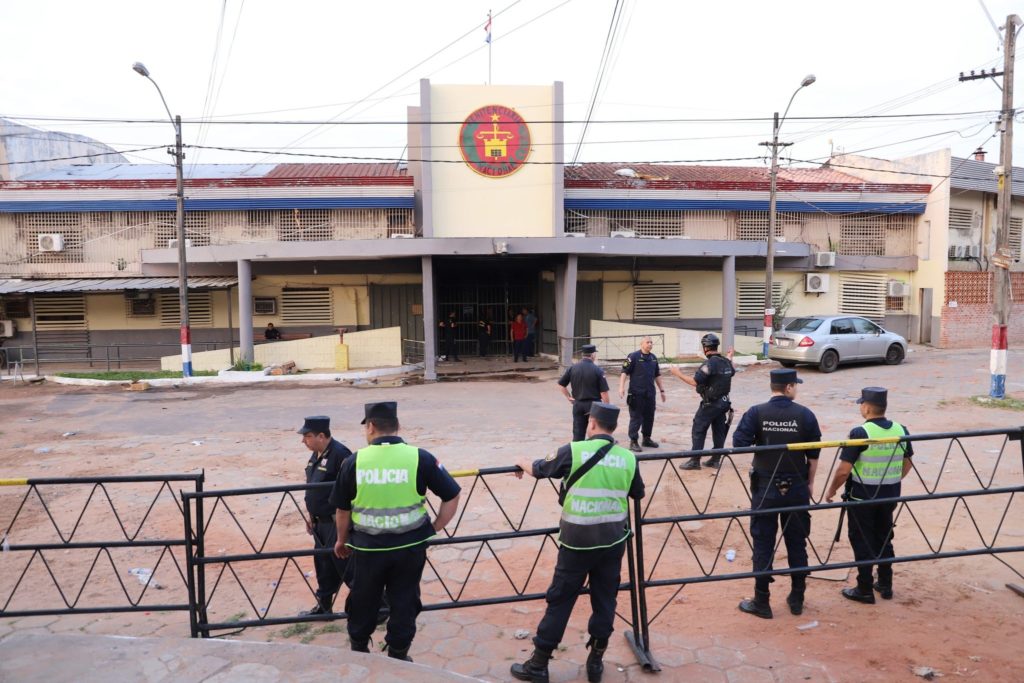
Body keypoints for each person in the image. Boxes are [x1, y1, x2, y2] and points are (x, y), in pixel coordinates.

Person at [511, 402, 644, 683]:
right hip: (612, 541)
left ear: (592, 423)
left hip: (577, 543)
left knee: (560, 599)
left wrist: (522, 461)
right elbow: (637, 493)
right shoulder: (628, 458)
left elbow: (539, 469)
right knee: (605, 600)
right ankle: (596, 662)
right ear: (614, 428)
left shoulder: (574, 451)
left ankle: (539, 664)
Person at [331, 402, 461, 661]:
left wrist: (341, 541)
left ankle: (359, 649)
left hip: (368, 549)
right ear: (398, 426)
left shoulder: (354, 461)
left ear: (370, 426)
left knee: (363, 599)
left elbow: (342, 510)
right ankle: (398, 655)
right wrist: (434, 527)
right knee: (404, 601)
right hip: (409, 548)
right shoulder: (420, 457)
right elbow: (452, 494)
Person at [732, 368, 822, 619]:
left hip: (765, 486)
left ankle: (762, 601)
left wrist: (764, 442)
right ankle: (797, 598)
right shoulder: (805, 414)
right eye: (796, 385)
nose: (797, 389)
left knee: (763, 542)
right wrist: (810, 483)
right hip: (797, 486)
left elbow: (739, 444)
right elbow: (814, 455)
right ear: (789, 387)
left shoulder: (756, 412)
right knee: (797, 541)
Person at [825, 387, 914, 604]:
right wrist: (890, 481)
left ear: (866, 408)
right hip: (889, 495)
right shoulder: (901, 429)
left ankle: (864, 588)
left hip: (861, 498)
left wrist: (832, 490)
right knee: (884, 537)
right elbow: (908, 463)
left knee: (862, 540)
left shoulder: (860, 433)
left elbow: (844, 470)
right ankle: (885, 584)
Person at [297, 416, 353, 616]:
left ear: (321, 436)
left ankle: (379, 605)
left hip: (336, 522)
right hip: (320, 523)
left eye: (307, 436)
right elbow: (314, 489)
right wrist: (311, 516)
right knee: (323, 566)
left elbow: (350, 491)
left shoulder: (341, 455)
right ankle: (324, 607)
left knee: (347, 567)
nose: (303, 441)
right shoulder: (315, 455)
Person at [670, 333, 735, 470]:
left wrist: (677, 373)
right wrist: (730, 356)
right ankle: (715, 460)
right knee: (719, 430)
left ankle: (695, 460)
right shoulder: (726, 362)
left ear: (705, 348)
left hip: (711, 404)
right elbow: (731, 371)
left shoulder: (709, 364)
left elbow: (695, 382)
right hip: (724, 403)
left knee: (698, 428)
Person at [618, 337, 666, 453]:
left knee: (649, 416)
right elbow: (624, 372)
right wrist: (621, 387)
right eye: (647, 342)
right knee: (636, 417)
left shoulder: (653, 358)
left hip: (650, 393)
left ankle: (646, 438)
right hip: (636, 393)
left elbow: (657, 375)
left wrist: (662, 390)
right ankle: (633, 441)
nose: (650, 344)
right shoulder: (633, 356)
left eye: (651, 342)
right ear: (641, 344)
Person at [558, 344, 611, 441]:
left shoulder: (572, 368)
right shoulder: (597, 370)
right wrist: (607, 408)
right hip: (594, 405)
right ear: (593, 355)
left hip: (578, 404)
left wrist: (569, 397)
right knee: (595, 432)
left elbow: (561, 385)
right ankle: (594, 449)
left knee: (578, 432)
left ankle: (577, 449)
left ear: (583, 354)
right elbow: (604, 392)